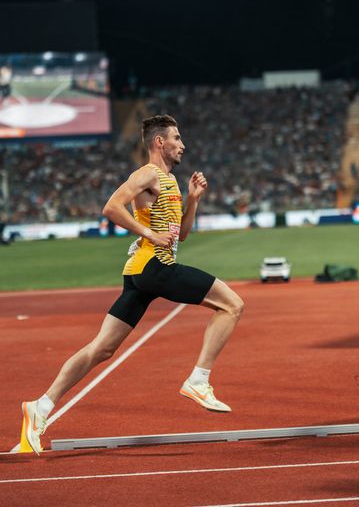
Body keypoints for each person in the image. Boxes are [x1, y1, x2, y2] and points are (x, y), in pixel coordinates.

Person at [21, 114, 244, 455]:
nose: (182, 144)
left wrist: (194, 199)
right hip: (153, 266)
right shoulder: (148, 174)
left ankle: (41, 406)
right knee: (232, 305)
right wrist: (149, 233)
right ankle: (199, 380)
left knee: (102, 348)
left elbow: (180, 236)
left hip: (143, 273)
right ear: (160, 142)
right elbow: (111, 207)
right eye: (177, 138)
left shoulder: (168, 180)